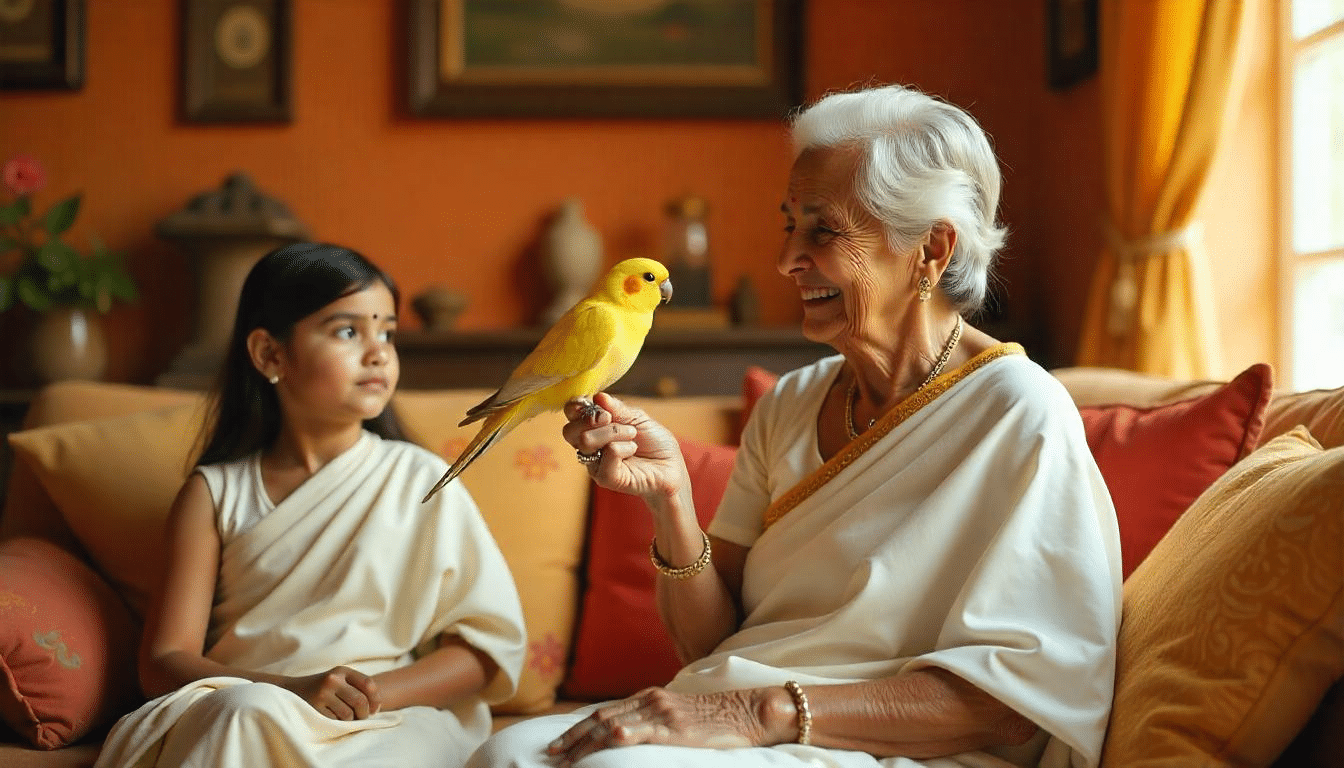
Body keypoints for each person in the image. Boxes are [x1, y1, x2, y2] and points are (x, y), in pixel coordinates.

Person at [468, 84, 1121, 768]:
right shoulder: (790, 402)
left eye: (824, 229)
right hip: (744, 720)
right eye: (790, 224)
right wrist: (671, 501)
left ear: (930, 249)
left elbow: (1014, 703)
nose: (785, 260)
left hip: (885, 744)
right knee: (508, 754)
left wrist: (757, 712)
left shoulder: (1019, 411)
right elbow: (709, 647)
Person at [95, 243, 527, 768]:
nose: (378, 353)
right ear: (270, 355)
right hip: (251, 700)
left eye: (387, 332)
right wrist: (290, 689)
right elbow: (164, 661)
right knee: (244, 712)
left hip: (381, 719)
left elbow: (485, 652)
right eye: (348, 332)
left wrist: (368, 695)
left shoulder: (424, 480)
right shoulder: (215, 493)